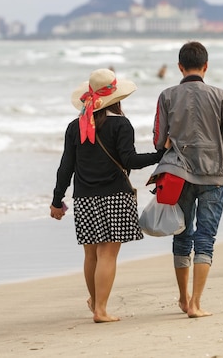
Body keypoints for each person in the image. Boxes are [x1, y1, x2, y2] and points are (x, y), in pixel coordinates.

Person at [50, 68, 165, 323]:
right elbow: (130, 161)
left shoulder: (74, 127)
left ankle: (95, 304)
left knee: (90, 254)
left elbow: (65, 167)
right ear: (116, 98)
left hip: (84, 198)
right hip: (115, 196)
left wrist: (57, 201)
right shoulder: (121, 124)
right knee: (108, 255)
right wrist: (160, 154)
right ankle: (101, 310)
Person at [151, 41, 223, 318]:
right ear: (206, 66)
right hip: (214, 175)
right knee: (205, 237)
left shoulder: (167, 96)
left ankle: (183, 299)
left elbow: (159, 140)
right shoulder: (221, 96)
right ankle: (196, 303)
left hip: (179, 176)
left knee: (182, 235)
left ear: (179, 67)